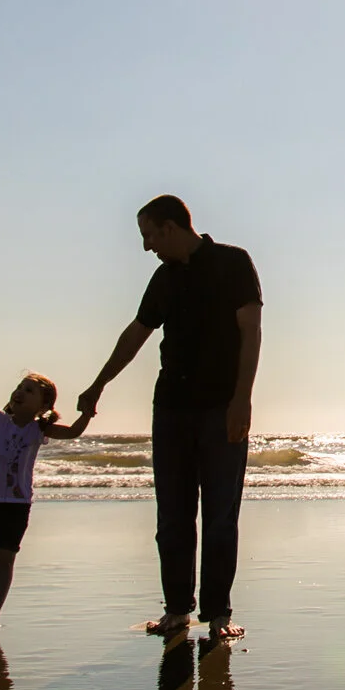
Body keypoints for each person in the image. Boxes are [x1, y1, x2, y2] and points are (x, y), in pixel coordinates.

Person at [76, 195, 261, 640]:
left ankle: (218, 615)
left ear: (171, 228)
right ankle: (177, 610)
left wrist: (242, 399)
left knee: (220, 517)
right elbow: (136, 334)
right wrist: (99, 383)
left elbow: (250, 331)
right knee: (173, 516)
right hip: (172, 410)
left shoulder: (233, 262)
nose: (146, 247)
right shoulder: (163, 278)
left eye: (149, 235)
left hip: (221, 407)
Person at [0, 371, 94, 637]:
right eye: (20, 387)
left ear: (44, 406)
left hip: (17, 504)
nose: (20, 392)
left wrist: (87, 412)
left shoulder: (39, 429)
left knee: (4, 559)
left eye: (29, 391)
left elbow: (73, 432)